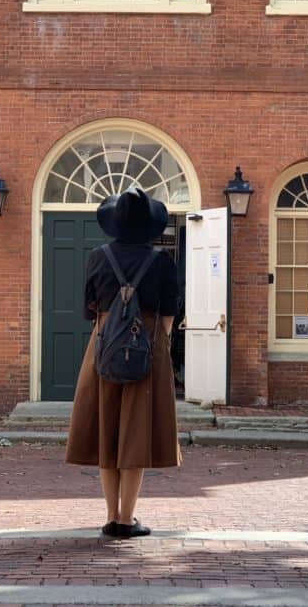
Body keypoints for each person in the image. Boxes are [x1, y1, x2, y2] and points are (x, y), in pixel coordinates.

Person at [65, 187, 181, 538]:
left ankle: (111, 514)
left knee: (107, 432)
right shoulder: (162, 261)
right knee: (136, 434)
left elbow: (88, 310)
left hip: (102, 348)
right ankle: (126, 519)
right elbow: (167, 317)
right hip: (148, 350)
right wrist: (154, 343)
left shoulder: (98, 257)